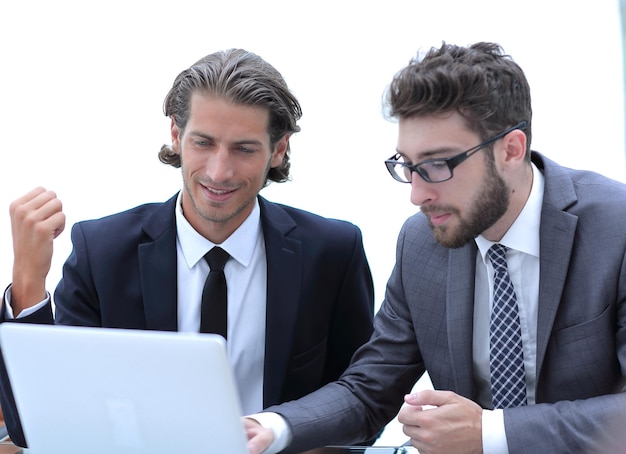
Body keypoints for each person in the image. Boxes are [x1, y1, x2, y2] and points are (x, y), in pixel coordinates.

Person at [245, 42, 626, 454]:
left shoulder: (615, 228)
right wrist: (271, 427)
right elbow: (370, 389)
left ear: (511, 150)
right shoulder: (421, 242)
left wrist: (489, 433)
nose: (417, 195)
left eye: (437, 165)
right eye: (407, 166)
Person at [0, 49, 375, 448]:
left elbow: (362, 408)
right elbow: (35, 425)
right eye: (203, 142)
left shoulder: (333, 253)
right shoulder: (102, 252)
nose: (219, 172)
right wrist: (28, 278)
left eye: (244, 149)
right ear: (176, 135)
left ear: (278, 150)